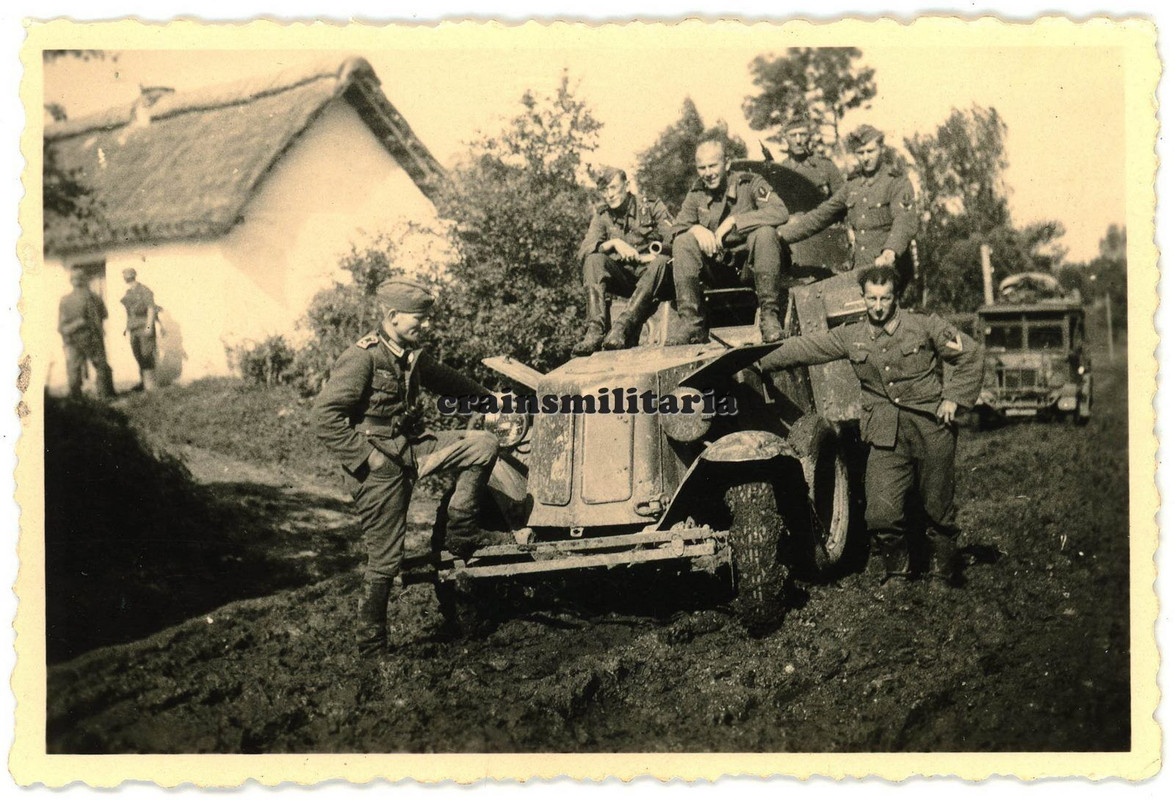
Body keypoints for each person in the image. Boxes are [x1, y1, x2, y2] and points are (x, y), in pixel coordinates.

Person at [313, 279, 509, 655]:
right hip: (379, 465)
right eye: (420, 320)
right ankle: (372, 649)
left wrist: (491, 400)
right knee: (386, 559)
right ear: (392, 317)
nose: (427, 326)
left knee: (483, 445)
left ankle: (463, 530)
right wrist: (365, 457)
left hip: (411, 450)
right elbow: (325, 417)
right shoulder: (363, 357)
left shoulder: (409, 353)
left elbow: (448, 381)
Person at [758, 266, 983, 591]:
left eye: (885, 298)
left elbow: (971, 355)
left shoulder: (924, 325)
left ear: (896, 297)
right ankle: (897, 572)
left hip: (931, 428)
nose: (878, 305)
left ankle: (941, 573)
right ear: (862, 298)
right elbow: (806, 348)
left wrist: (954, 398)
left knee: (937, 508)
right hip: (884, 433)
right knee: (880, 512)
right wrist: (756, 360)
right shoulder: (853, 334)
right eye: (872, 298)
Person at [667, 139, 791, 345]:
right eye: (702, 168)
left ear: (727, 163)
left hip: (750, 270)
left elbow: (780, 211)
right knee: (683, 241)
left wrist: (735, 221)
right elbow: (674, 230)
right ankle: (691, 324)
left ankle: (769, 317)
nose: (708, 173)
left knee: (765, 234)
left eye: (713, 165)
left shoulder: (750, 183)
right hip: (717, 270)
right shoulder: (697, 193)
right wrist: (695, 229)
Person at [777, 124, 918, 288]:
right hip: (861, 272)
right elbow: (819, 216)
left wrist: (889, 253)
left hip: (892, 272)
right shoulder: (852, 186)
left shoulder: (897, 183)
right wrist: (780, 235)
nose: (865, 158)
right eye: (860, 153)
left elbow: (904, 222)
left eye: (870, 151)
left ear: (881, 149)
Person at [572, 167, 674, 355]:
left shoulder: (651, 206)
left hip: (657, 280)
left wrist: (652, 255)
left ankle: (622, 327)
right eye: (604, 191)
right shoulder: (603, 216)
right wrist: (613, 243)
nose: (609, 195)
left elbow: (676, 239)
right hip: (628, 280)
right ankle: (595, 331)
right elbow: (583, 251)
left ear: (627, 186)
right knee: (594, 260)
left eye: (613, 188)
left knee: (660, 263)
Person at [57, 268, 115, 399]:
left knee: (73, 368)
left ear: (71, 281)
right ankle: (105, 396)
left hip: (71, 339)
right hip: (91, 337)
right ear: (85, 280)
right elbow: (103, 316)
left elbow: (60, 325)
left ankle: (76, 398)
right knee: (101, 366)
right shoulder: (94, 297)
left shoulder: (64, 300)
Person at [119, 267, 161, 391]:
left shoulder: (144, 290)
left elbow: (151, 309)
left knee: (146, 354)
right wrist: (127, 327)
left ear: (133, 276)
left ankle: (151, 386)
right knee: (138, 354)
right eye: (125, 275)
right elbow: (129, 312)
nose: (126, 277)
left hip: (144, 327)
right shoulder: (128, 293)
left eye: (128, 275)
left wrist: (148, 328)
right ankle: (143, 383)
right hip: (134, 328)